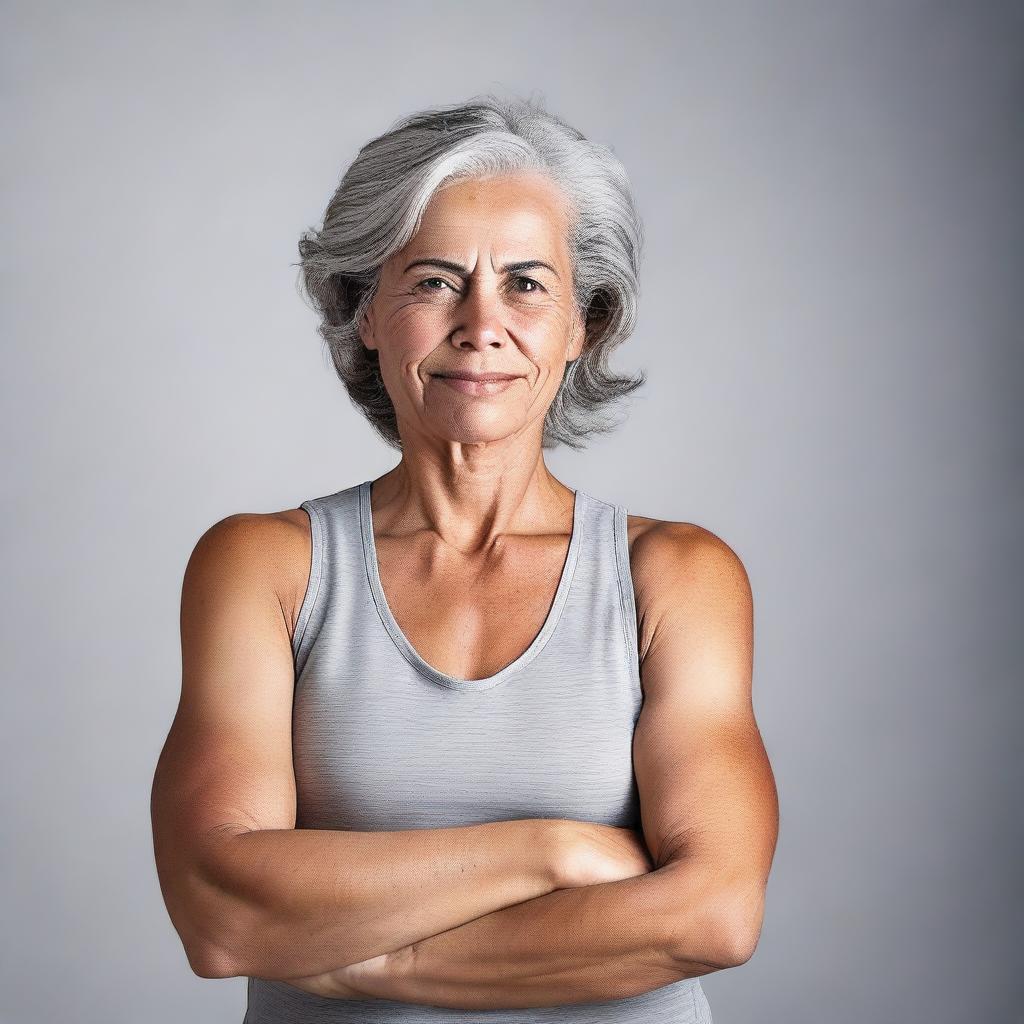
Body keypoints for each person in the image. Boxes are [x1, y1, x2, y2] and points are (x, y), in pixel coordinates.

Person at [150, 92, 778, 1023]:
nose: (481, 323)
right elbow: (220, 913)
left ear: (582, 328)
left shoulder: (678, 578)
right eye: (435, 281)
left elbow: (713, 917)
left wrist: (376, 964)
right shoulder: (264, 568)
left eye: (527, 283)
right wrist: (555, 854)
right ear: (365, 313)